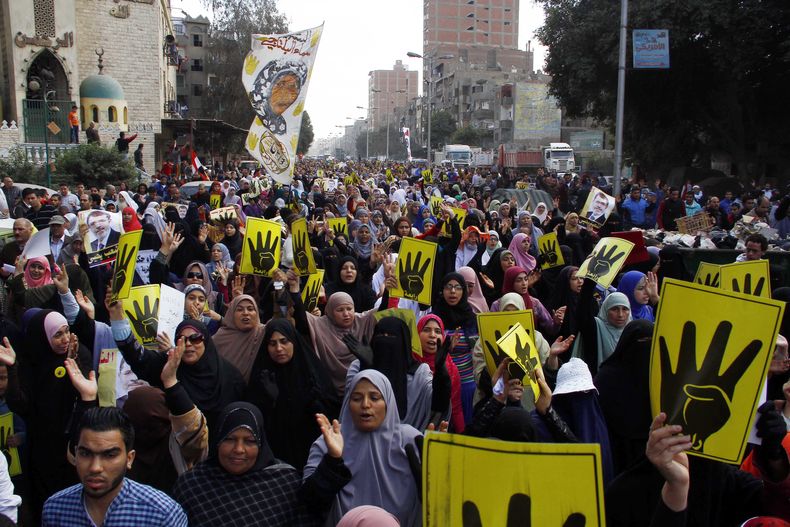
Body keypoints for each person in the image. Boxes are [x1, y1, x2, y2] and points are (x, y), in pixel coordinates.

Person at [301, 371, 423, 526]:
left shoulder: (409, 440)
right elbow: (309, 502)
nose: (365, 404)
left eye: (374, 397)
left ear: (388, 402)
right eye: (357, 398)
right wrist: (332, 461)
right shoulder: (328, 442)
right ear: (347, 403)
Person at [173, 402, 318, 526]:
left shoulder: (285, 483)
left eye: (250, 441)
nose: (238, 449)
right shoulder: (191, 485)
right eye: (229, 439)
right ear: (218, 440)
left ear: (261, 444)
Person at [42, 407, 188, 526]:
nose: (95, 467)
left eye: (109, 455)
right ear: (75, 454)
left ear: (129, 458)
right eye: (86, 454)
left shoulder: (162, 514)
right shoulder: (55, 509)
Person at [247, 318, 339, 469]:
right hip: (276, 459)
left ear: (294, 342)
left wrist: (313, 403)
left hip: (310, 454)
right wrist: (272, 402)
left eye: (284, 341)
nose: (279, 348)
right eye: (272, 343)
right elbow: (255, 422)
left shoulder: (311, 372)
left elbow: (330, 413)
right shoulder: (262, 376)